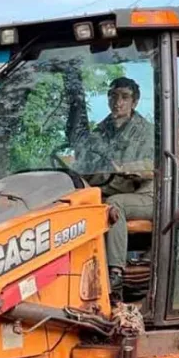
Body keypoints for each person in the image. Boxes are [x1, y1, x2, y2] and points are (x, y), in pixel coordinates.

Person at [66, 74, 155, 300]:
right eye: (113, 96)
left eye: (125, 97)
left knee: (114, 205)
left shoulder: (145, 131)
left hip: (146, 196)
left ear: (134, 102)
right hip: (113, 189)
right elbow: (86, 156)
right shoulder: (102, 129)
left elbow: (151, 166)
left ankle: (114, 273)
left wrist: (125, 167)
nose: (118, 102)